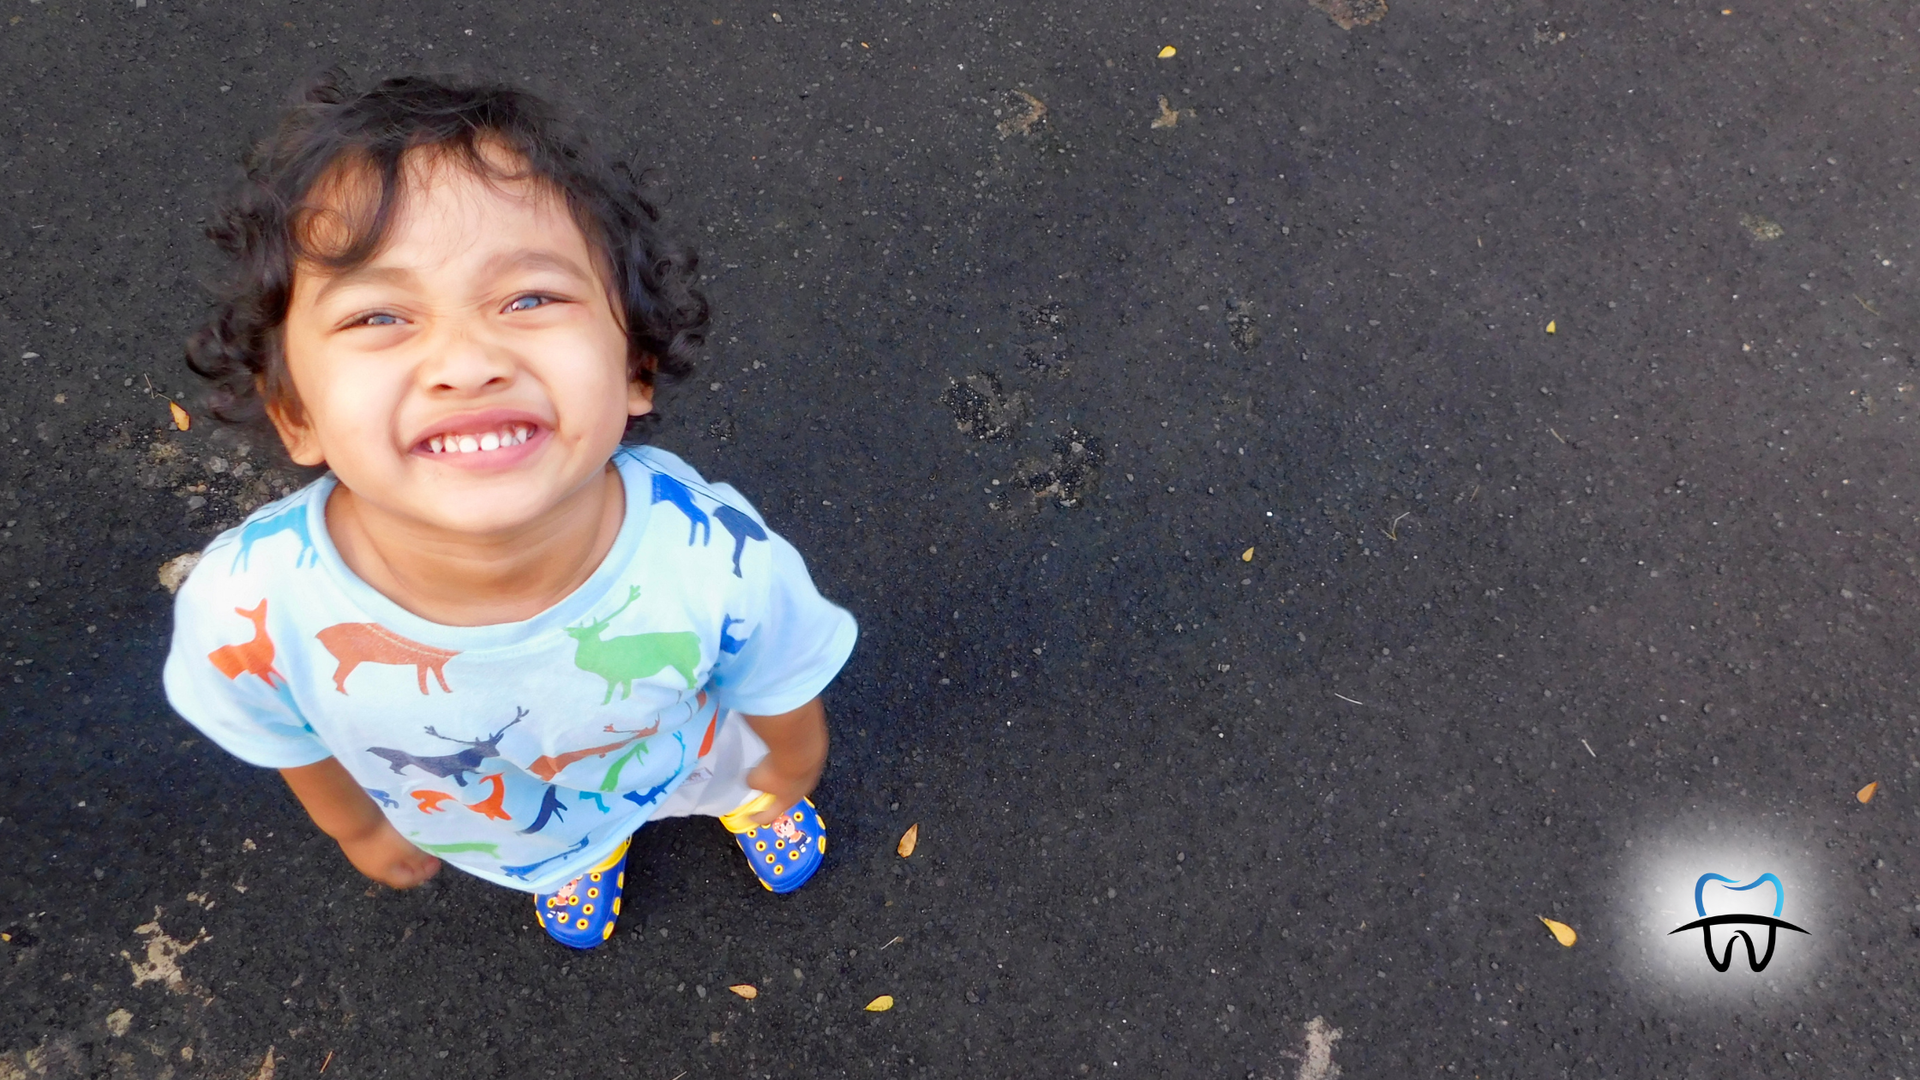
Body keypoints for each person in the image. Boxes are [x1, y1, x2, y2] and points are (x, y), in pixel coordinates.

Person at [163, 70, 857, 949]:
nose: (465, 361)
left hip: (692, 753)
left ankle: (747, 807)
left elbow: (778, 678)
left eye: (529, 298)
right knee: (557, 829)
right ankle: (579, 859)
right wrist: (357, 825)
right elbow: (282, 732)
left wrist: (789, 770)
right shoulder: (245, 607)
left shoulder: (717, 555)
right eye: (379, 315)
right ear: (296, 411)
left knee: (740, 776)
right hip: (513, 812)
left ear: (633, 364)